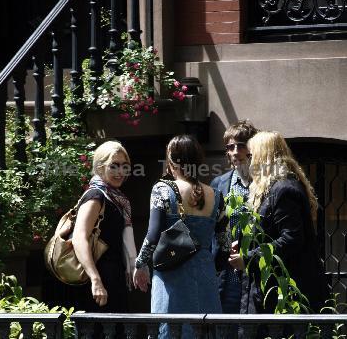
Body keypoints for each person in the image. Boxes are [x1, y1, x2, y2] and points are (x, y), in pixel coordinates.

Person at [229, 131, 328, 338]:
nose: (250, 160)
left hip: (285, 294)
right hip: (272, 292)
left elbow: (291, 238)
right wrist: (247, 242)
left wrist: (248, 259)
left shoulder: (283, 189)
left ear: (264, 157)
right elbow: (273, 233)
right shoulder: (276, 188)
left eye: (252, 155)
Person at [133, 134, 230, 339]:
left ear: (172, 161)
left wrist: (140, 264)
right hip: (206, 277)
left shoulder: (161, 189)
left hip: (171, 275)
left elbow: (153, 234)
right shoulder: (217, 196)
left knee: (171, 330)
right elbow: (225, 245)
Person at [71, 140, 137, 316]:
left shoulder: (116, 198)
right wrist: (95, 279)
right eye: (114, 166)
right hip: (98, 282)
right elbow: (79, 237)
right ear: (100, 167)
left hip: (114, 278)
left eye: (125, 166)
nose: (120, 172)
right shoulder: (96, 196)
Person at [211, 120, 258, 319]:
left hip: (257, 268)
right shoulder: (220, 183)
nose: (235, 151)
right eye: (231, 147)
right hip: (227, 271)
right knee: (226, 325)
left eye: (241, 145)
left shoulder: (263, 182)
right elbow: (213, 229)